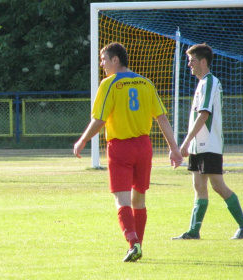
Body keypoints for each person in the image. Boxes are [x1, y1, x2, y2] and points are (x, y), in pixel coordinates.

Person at [73, 42, 183, 262]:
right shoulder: (145, 82)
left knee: (121, 200)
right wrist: (174, 148)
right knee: (139, 199)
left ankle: (133, 244)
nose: (102, 64)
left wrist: (83, 140)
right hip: (144, 146)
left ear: (116, 60)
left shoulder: (109, 84)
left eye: (104, 59)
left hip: (120, 147)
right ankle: (138, 246)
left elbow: (99, 119)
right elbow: (161, 117)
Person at [172, 44, 243, 240]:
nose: (189, 64)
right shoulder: (202, 84)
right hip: (199, 146)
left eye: (192, 60)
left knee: (217, 185)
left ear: (203, 62)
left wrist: (186, 141)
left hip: (210, 145)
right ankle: (193, 231)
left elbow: (204, 115)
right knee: (198, 185)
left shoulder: (210, 82)